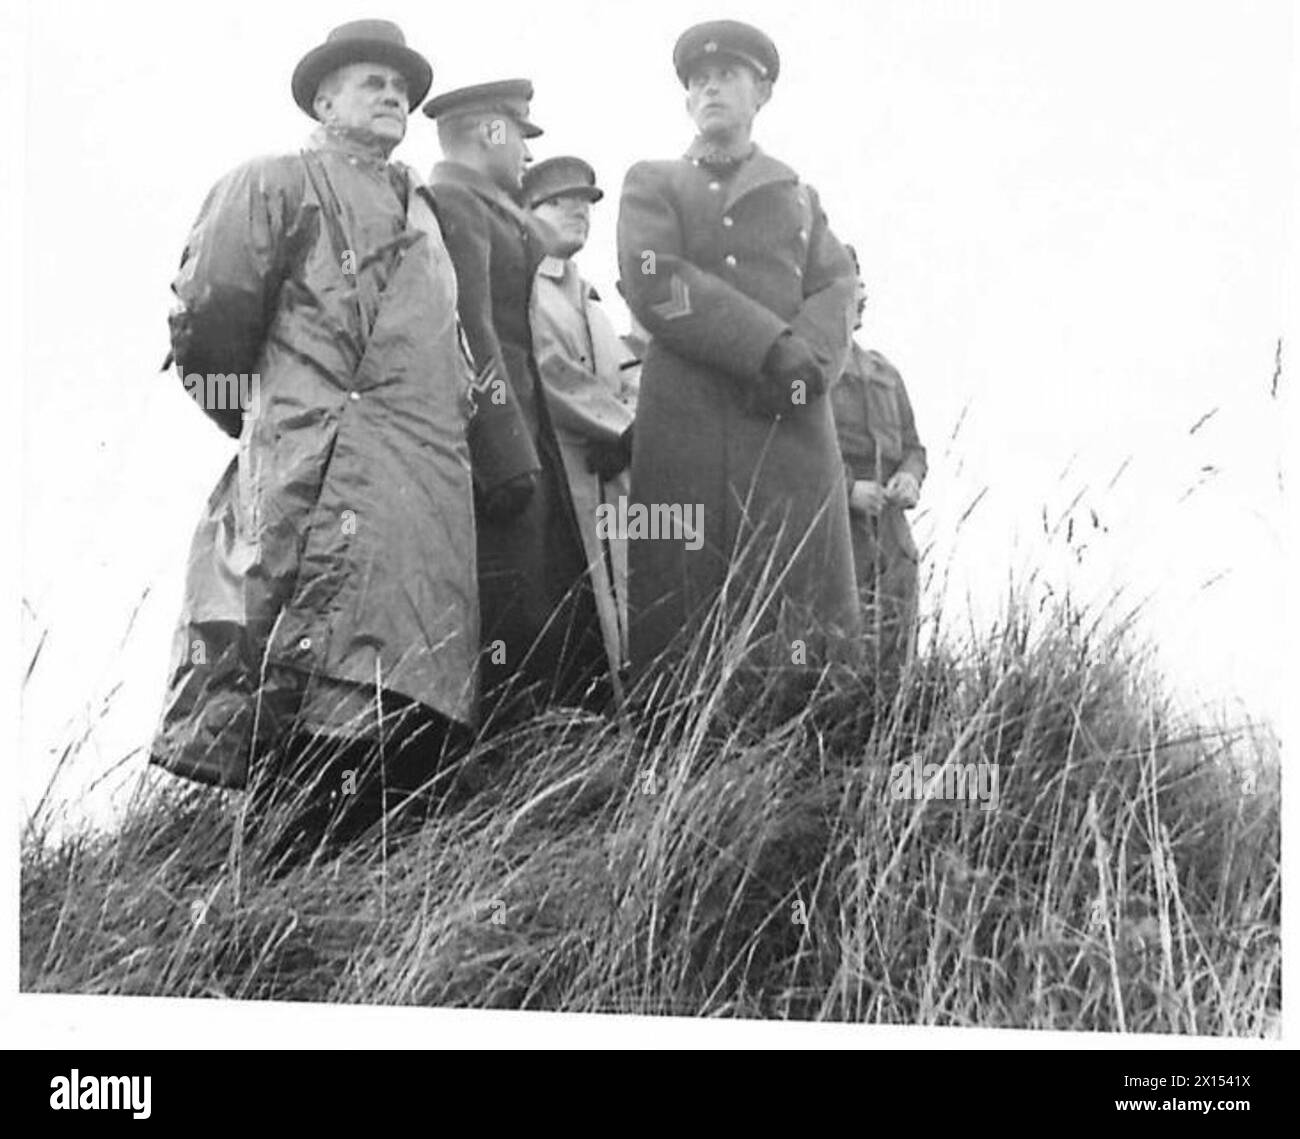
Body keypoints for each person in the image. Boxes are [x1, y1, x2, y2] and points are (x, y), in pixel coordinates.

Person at [149, 19, 479, 866]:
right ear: (323, 98)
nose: (392, 93)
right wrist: (273, 422)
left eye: (401, 84)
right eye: (371, 79)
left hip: (420, 510)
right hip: (311, 489)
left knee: (395, 724)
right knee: (304, 721)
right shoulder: (272, 185)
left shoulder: (428, 216)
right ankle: (268, 931)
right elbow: (209, 315)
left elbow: (456, 360)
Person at [616, 19, 862, 697]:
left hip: (790, 420)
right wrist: (768, 345)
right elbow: (653, 278)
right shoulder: (652, 181)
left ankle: (813, 764)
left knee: (803, 603)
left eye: (727, 76)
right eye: (698, 80)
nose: (709, 88)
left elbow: (839, 286)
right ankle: (680, 764)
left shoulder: (802, 198)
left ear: (764, 92)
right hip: (686, 424)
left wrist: (804, 365)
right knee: (684, 602)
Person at [425, 83, 608, 722]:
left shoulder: (493, 208)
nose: (529, 155)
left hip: (534, 439)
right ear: (488, 133)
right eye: (521, 135)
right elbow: (465, 324)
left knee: (551, 594)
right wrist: (502, 449)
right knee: (514, 604)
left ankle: (552, 742)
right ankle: (518, 746)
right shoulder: (453, 201)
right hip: (500, 449)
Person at [522, 156, 636, 695]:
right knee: (573, 606)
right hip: (559, 469)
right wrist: (619, 428)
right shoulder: (527, 287)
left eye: (584, 204)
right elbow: (548, 369)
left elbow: (627, 372)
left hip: (607, 474)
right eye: (559, 203)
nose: (577, 213)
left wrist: (631, 425)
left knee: (621, 598)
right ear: (527, 213)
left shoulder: (587, 296)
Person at [831, 250, 928, 679]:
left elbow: (913, 446)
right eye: (849, 283)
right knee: (832, 649)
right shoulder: (804, 372)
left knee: (896, 653)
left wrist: (909, 475)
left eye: (859, 282)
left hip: (891, 533)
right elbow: (784, 451)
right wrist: (847, 489)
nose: (860, 293)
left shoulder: (885, 371)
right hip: (834, 531)